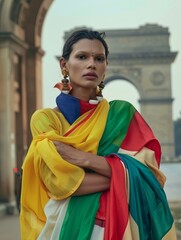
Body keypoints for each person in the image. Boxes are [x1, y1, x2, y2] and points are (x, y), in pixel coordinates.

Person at [20, 29, 177, 240]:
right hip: (64, 228)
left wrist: (85, 159)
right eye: (82, 57)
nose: (91, 64)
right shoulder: (45, 120)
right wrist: (127, 176)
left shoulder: (122, 115)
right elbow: (60, 184)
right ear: (64, 65)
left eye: (99, 58)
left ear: (106, 67)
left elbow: (152, 177)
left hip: (119, 227)